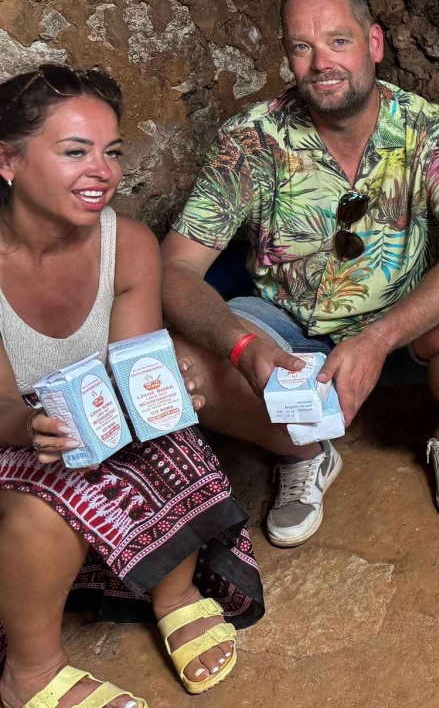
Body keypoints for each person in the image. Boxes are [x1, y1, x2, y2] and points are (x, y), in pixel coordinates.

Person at [161, 0, 439, 548]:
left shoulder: (429, 128)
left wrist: (377, 339)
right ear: (287, 55)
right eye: (302, 46)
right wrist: (242, 347)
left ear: (373, 43)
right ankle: (303, 451)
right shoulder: (250, 141)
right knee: (181, 362)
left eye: (338, 41)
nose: (321, 62)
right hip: (285, 331)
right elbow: (174, 268)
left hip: (403, 328)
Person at [0, 66, 263, 708]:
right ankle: (30, 672)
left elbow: (130, 365)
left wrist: (161, 391)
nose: (102, 171)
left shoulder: (130, 245)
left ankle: (172, 594)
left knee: (169, 433)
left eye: (112, 152)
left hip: (88, 419)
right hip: (11, 431)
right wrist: (32, 427)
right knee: (46, 495)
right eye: (75, 152)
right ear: (7, 162)